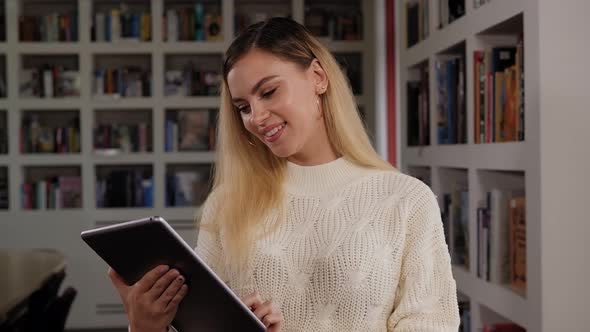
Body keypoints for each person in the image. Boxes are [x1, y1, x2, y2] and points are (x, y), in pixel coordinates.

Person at [109, 17, 460, 332]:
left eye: (269, 92)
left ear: (318, 78)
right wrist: (144, 329)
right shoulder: (227, 204)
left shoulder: (406, 200)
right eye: (243, 107)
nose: (256, 117)